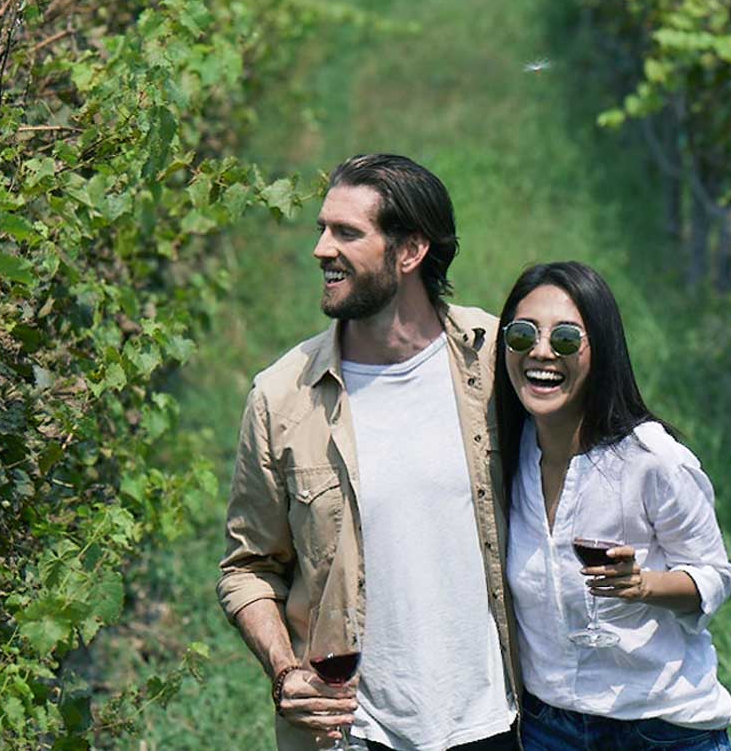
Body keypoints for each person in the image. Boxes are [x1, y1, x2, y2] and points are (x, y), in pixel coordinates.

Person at [218, 154, 519, 751]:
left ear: (409, 252)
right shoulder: (283, 396)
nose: (321, 250)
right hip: (355, 735)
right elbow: (248, 568)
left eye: (347, 233)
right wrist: (286, 671)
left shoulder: (495, 360)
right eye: (322, 230)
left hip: (496, 722)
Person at [495, 261, 731, 750]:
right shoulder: (507, 454)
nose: (541, 352)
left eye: (565, 339)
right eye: (522, 335)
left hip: (660, 729)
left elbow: (713, 575)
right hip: (549, 727)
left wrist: (644, 585)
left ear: (600, 352)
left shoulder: (654, 461)